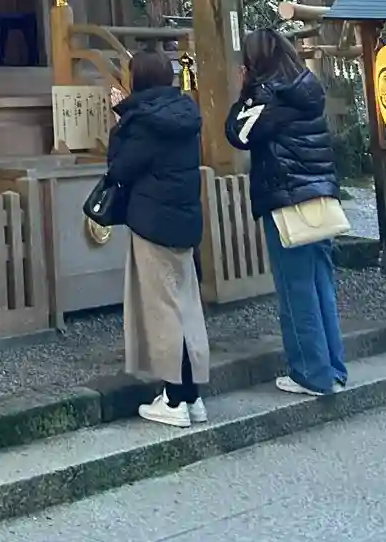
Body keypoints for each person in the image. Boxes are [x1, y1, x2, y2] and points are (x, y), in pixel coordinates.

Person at [226, 27, 347, 396]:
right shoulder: (307, 88)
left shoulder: (268, 96)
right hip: (319, 197)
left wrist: (244, 92)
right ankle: (333, 368)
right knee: (321, 284)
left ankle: (310, 372)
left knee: (296, 290)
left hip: (287, 199)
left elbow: (237, 134)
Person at [106, 48, 210, 427]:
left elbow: (120, 167)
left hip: (153, 222)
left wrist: (120, 119)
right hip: (184, 220)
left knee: (162, 309)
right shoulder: (185, 113)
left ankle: (174, 397)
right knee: (185, 305)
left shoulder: (143, 122)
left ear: (138, 79)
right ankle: (192, 395)